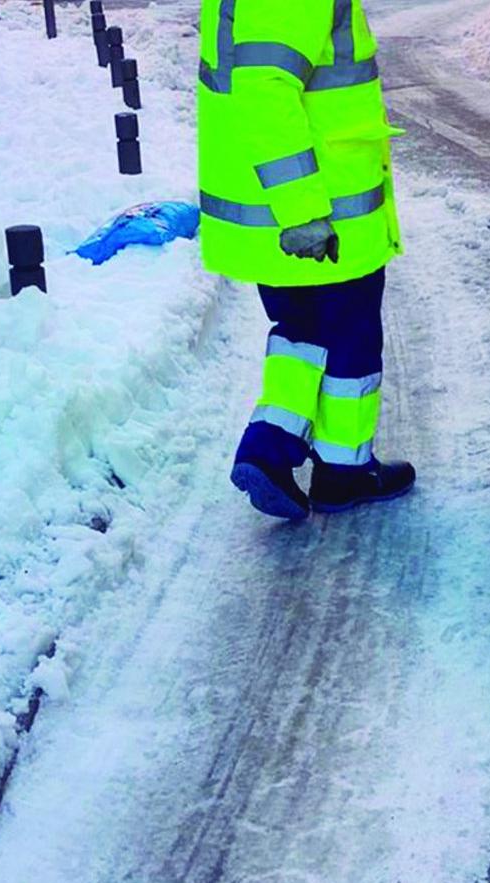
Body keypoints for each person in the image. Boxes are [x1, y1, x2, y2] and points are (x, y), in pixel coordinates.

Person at [197, 0, 414, 521]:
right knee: (350, 339)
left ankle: (272, 449)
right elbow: (265, 89)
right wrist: (303, 211)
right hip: (320, 214)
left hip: (289, 211)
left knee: (305, 332)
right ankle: (339, 472)